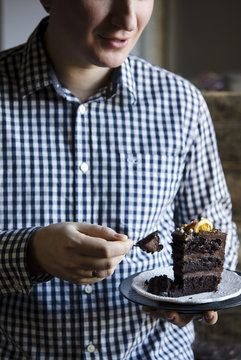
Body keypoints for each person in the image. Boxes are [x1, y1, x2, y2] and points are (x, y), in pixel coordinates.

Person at [0, 0, 239, 359]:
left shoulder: (182, 104)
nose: (127, 18)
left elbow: (213, 223)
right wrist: (30, 254)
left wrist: (197, 296)